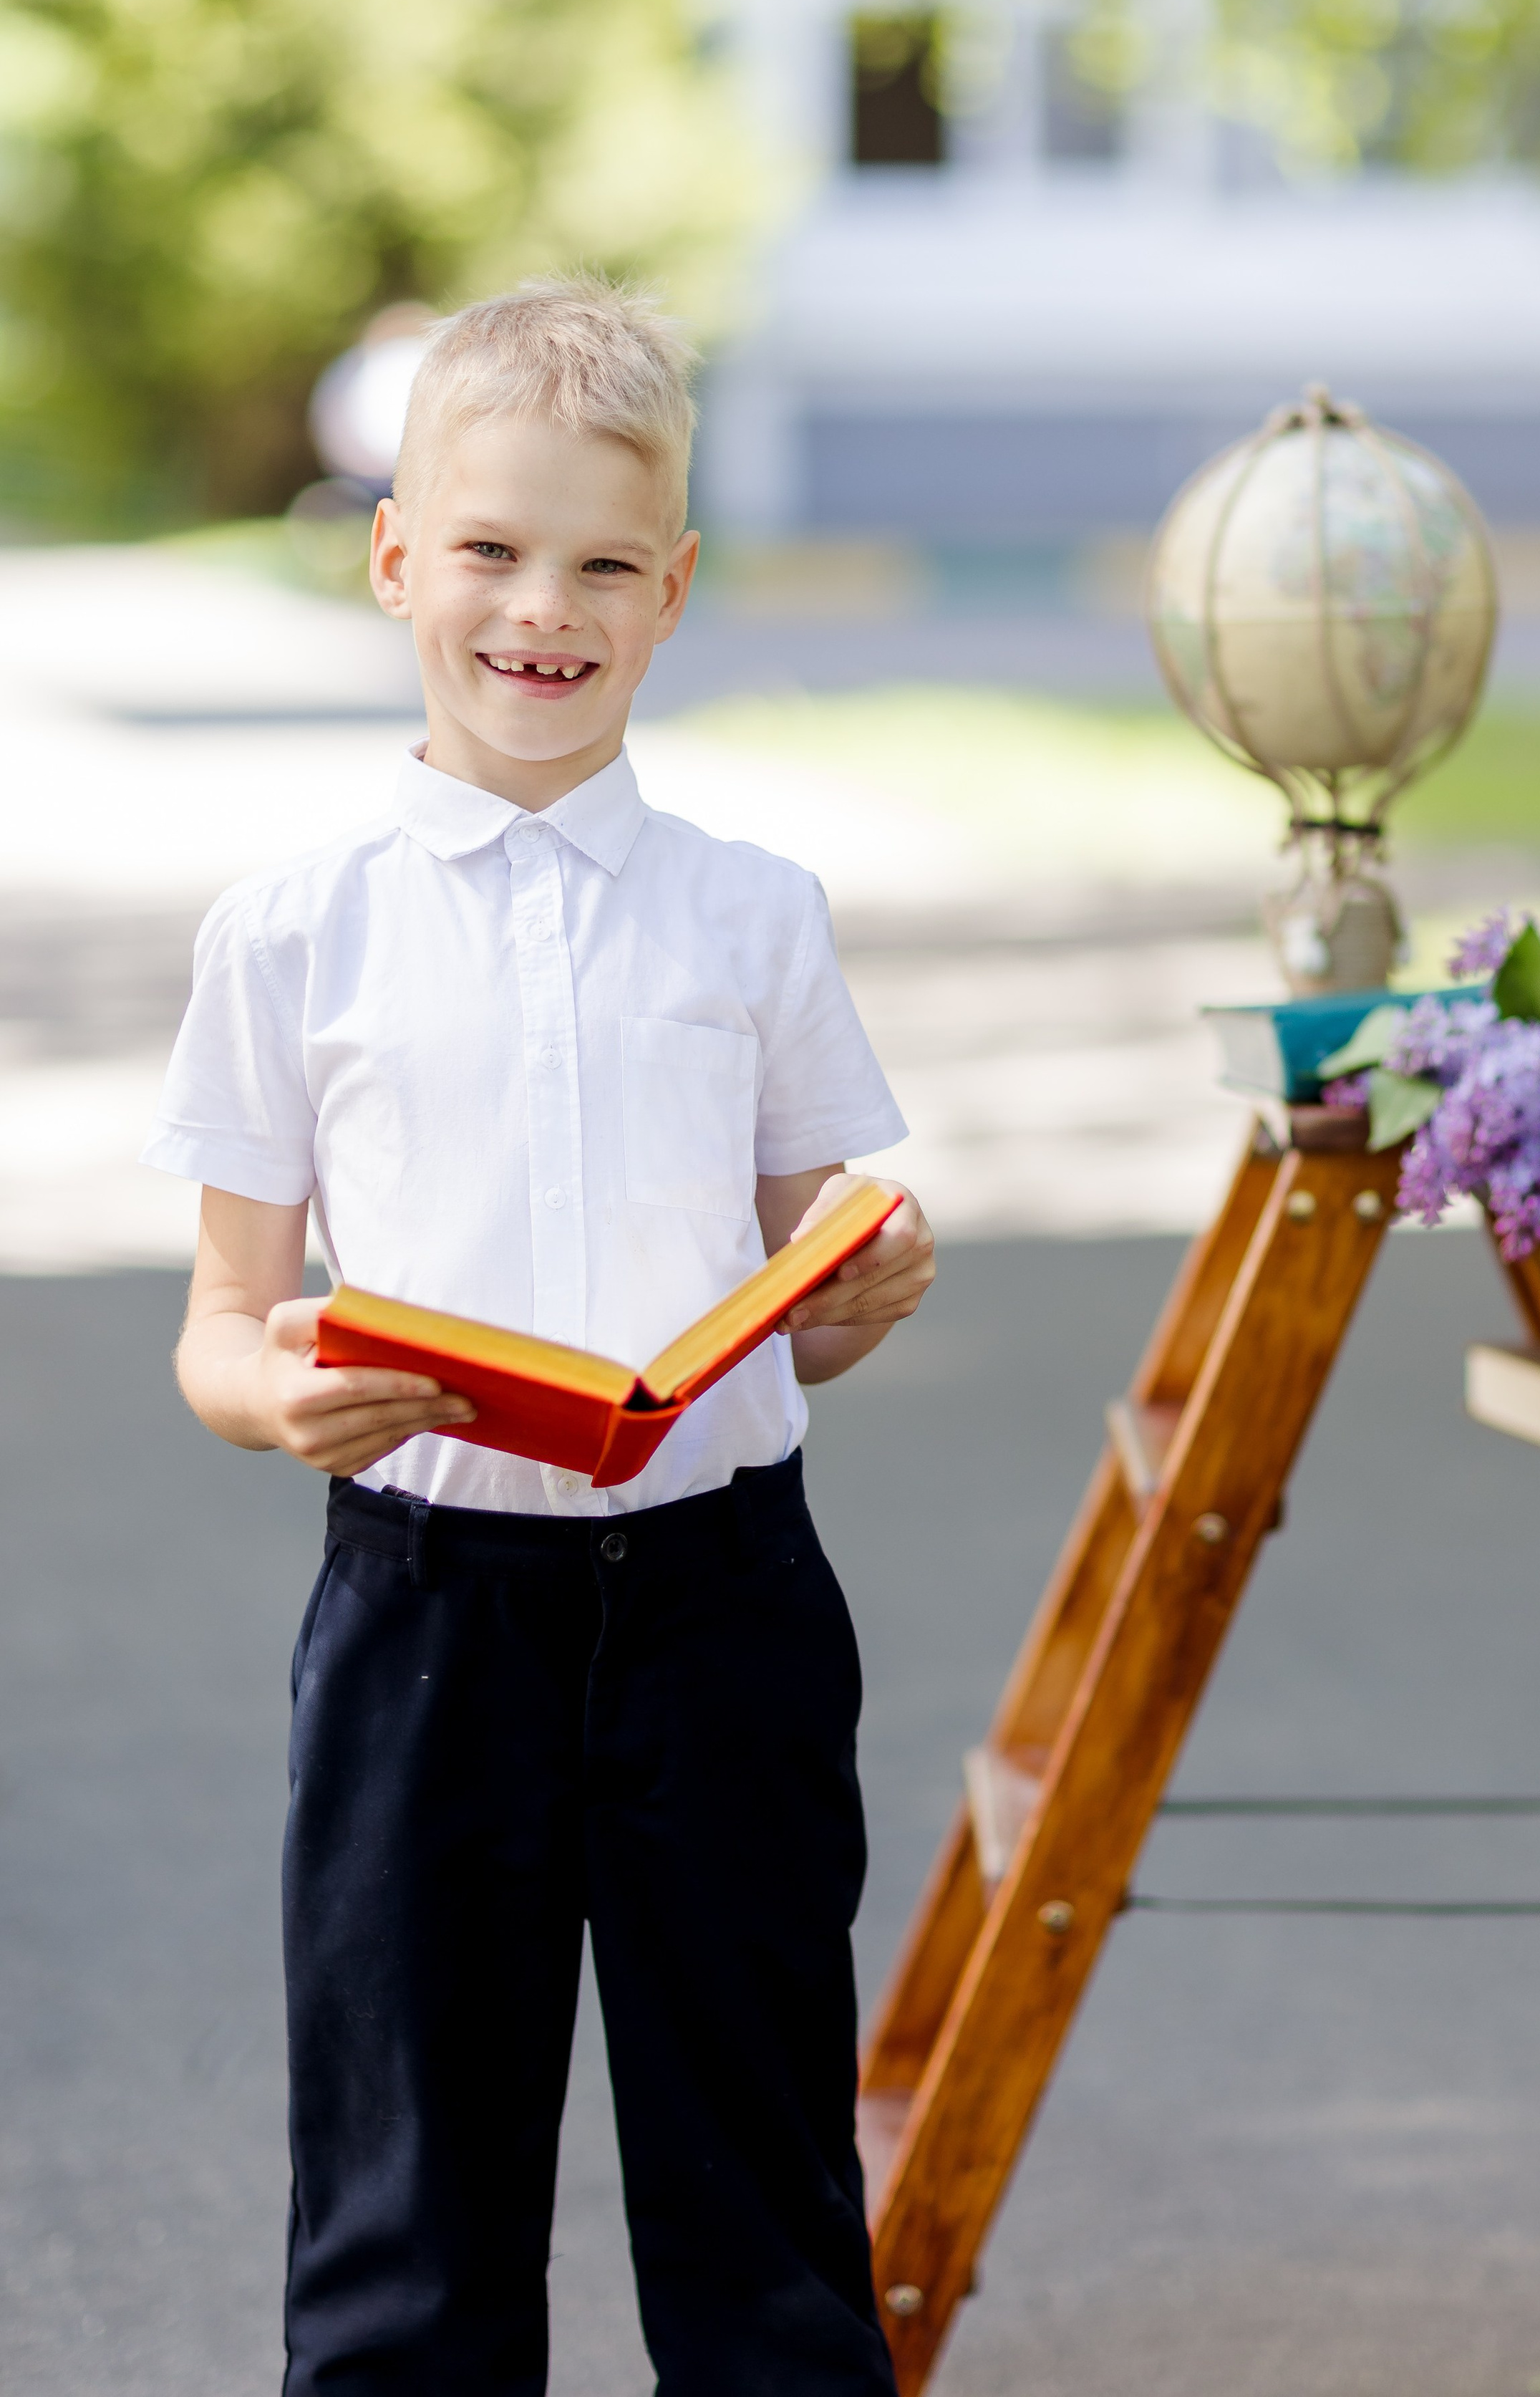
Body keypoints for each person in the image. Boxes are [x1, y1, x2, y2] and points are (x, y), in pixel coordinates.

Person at [142, 277, 936, 2397]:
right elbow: (222, 1324)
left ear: (674, 589)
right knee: (408, 2219)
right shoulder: (294, 931)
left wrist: (859, 1291)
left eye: (602, 567)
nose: (540, 610)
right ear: (395, 556)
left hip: (725, 1603)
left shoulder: (753, 912)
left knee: (761, 2194)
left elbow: (794, 1294)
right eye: (490, 550)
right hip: (427, 1614)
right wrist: (279, 1396)